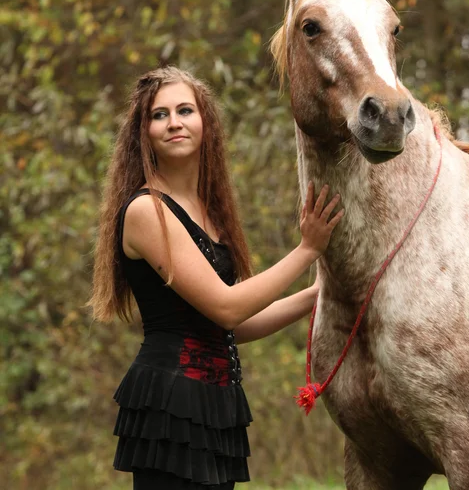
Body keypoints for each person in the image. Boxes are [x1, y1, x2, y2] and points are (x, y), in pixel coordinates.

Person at [89, 66, 343, 489]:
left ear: (205, 121)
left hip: (214, 406)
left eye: (185, 110)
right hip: (170, 407)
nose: (174, 122)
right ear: (143, 133)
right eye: (159, 115)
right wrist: (307, 250)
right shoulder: (145, 211)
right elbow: (227, 308)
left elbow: (235, 326)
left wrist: (321, 293)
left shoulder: (209, 212)